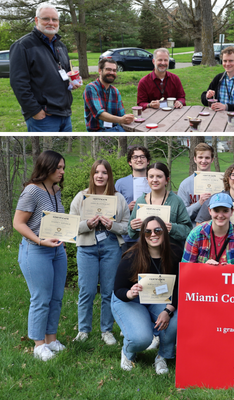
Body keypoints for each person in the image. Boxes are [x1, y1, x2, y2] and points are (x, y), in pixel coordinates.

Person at [13, 150, 68, 361]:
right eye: (58, 168)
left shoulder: (55, 190)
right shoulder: (32, 191)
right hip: (35, 249)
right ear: (47, 167)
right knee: (41, 298)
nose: (62, 172)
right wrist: (40, 240)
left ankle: (51, 339)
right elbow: (18, 223)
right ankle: (38, 345)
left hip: (56, 251)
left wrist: (60, 243)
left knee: (56, 297)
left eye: (63, 167)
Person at [112, 216, 182, 374]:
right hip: (130, 300)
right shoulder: (131, 257)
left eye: (158, 230)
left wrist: (168, 310)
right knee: (142, 339)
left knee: (175, 318)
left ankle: (162, 357)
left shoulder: (175, 253)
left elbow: (179, 286)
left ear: (164, 232)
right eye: (147, 231)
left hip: (159, 298)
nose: (153, 234)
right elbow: (118, 289)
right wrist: (130, 293)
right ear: (142, 235)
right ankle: (129, 351)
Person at [69, 160, 130, 345]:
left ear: (109, 176)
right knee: (86, 290)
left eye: (104, 172)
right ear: (92, 175)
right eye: (97, 172)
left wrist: (114, 226)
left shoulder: (118, 198)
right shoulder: (81, 196)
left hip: (111, 246)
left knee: (108, 291)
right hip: (87, 247)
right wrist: (86, 224)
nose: (100, 176)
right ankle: (83, 330)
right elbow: (70, 226)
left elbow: (127, 226)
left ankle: (107, 330)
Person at [10, 3, 82, 132]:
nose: (51, 22)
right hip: (44, 117)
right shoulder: (23, 46)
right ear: (37, 20)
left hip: (65, 114)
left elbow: (65, 73)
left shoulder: (61, 46)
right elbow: (18, 83)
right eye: (46, 19)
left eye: (54, 19)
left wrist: (72, 83)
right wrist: (35, 111)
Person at [128, 162, 193, 250]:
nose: (155, 180)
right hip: (146, 253)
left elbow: (188, 230)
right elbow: (132, 235)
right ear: (147, 179)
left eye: (159, 176)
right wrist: (132, 227)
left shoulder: (176, 201)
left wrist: (173, 228)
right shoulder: (141, 201)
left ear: (167, 180)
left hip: (171, 252)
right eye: (151, 176)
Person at [182, 193, 234, 264]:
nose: (220, 215)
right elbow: (186, 268)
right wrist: (203, 268)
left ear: (232, 212)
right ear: (210, 211)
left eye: (225, 211)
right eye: (216, 211)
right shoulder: (196, 234)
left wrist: (230, 270)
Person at [115, 146, 151, 251]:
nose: (139, 160)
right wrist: (127, 207)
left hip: (151, 235)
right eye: (135, 157)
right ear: (130, 162)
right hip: (128, 237)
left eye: (142, 157)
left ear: (148, 161)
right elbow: (112, 211)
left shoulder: (154, 181)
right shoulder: (121, 183)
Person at [84, 58, 135, 132]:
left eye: (114, 70)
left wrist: (127, 118)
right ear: (99, 71)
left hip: (115, 128)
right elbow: (99, 114)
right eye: (108, 69)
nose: (112, 72)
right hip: (98, 131)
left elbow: (121, 114)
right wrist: (121, 119)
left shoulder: (115, 91)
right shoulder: (91, 88)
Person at [201, 46, 234, 111]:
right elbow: (204, 99)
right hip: (217, 117)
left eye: (231, 61)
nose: (227, 64)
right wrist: (207, 97)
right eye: (225, 61)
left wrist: (226, 107)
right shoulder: (218, 78)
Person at [177, 142, 215, 221]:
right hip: (193, 229)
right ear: (195, 159)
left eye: (207, 158)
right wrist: (199, 203)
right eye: (200, 157)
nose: (203, 161)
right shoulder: (185, 185)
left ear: (212, 159)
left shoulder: (220, 182)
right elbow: (181, 215)